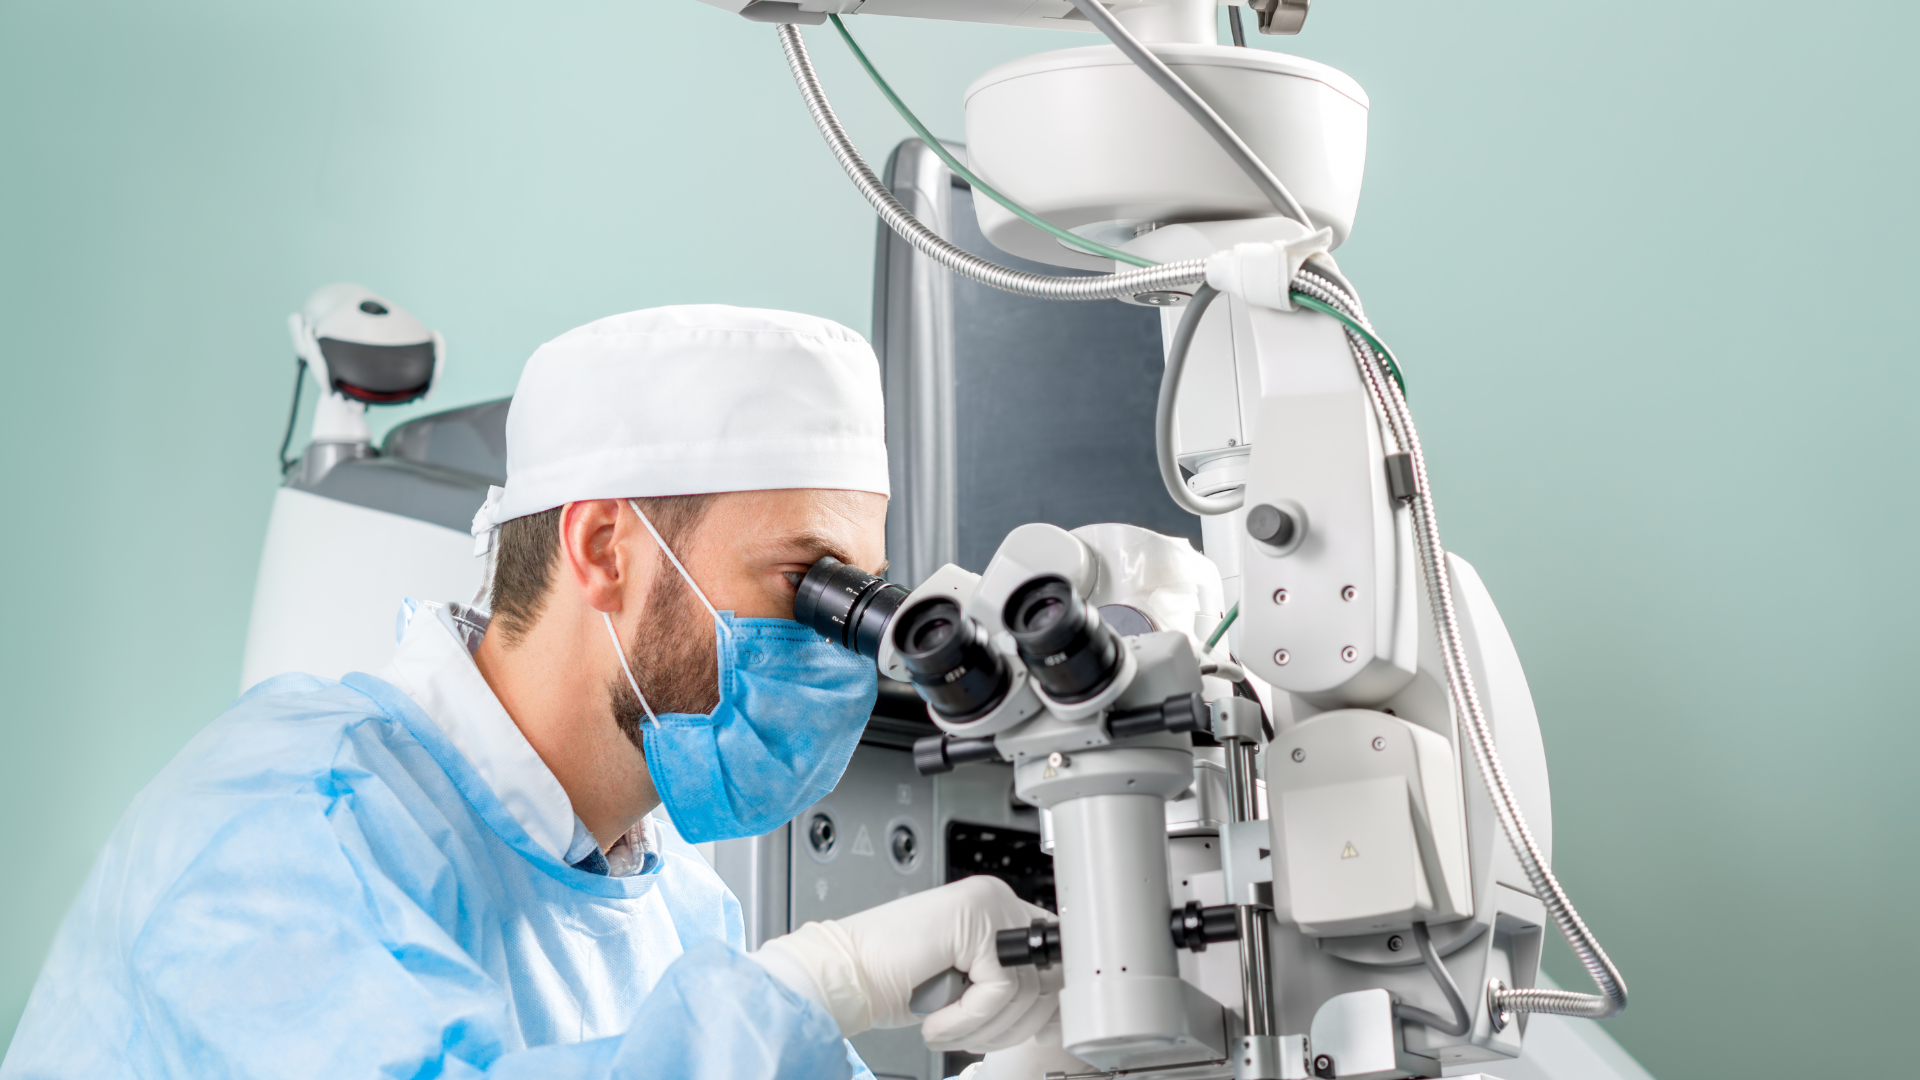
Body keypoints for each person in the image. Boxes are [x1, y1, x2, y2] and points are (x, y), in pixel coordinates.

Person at [1, 305, 1057, 1079]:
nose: (834, 650)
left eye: (859, 599)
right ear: (604, 548)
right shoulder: (286, 827)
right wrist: (824, 980)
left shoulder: (674, 908)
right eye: (807, 586)